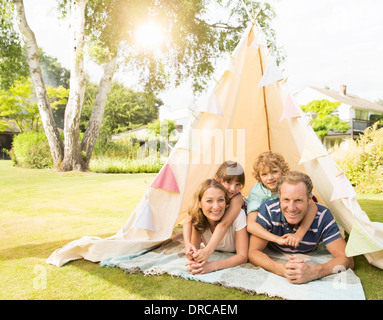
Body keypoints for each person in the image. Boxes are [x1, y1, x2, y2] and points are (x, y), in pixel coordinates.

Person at [248, 171, 354, 284]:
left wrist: (313, 272)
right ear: (279, 197)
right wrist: (282, 269)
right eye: (286, 200)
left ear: (309, 198)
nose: (291, 208)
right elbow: (253, 252)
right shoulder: (269, 210)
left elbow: (347, 260)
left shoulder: (323, 216)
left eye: (298, 200)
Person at [246, 151, 317, 248]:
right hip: (270, 231)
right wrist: (276, 239)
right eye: (264, 174)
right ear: (259, 176)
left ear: (283, 171)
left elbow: (313, 206)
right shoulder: (257, 192)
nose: (270, 178)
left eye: (274, 172)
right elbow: (251, 225)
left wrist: (299, 235)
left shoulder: (290, 185)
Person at [183, 161, 246, 263]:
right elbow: (188, 219)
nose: (232, 189)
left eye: (238, 184)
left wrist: (207, 251)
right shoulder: (208, 190)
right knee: (198, 217)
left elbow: (224, 224)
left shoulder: (237, 198)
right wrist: (188, 244)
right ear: (217, 179)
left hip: (237, 230)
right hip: (218, 227)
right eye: (228, 182)